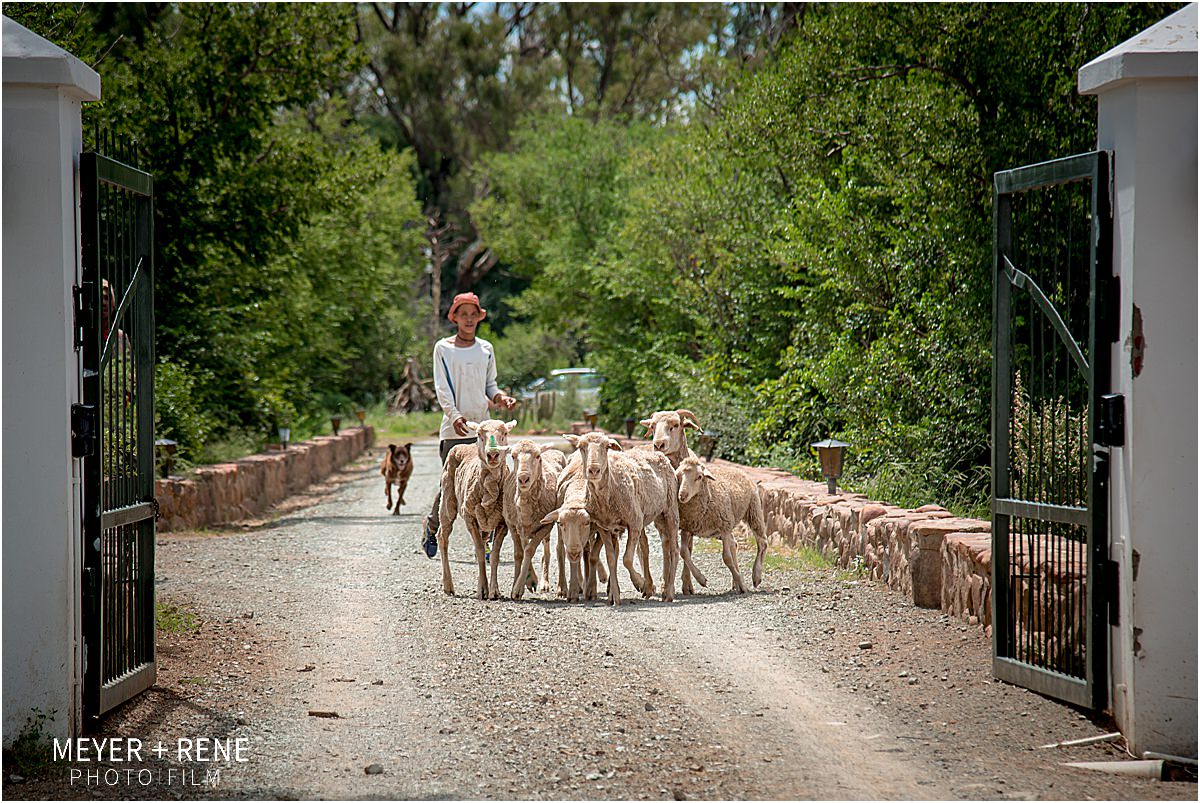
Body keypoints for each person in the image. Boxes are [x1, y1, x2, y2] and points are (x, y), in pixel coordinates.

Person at [421, 292, 517, 557]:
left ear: (479, 317)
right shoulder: (443, 348)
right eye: (463, 314)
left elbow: (490, 385)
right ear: (455, 318)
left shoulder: (485, 349)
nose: (469, 319)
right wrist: (454, 416)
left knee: (490, 481)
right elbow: (441, 388)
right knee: (451, 485)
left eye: (473, 314)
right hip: (455, 429)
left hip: (484, 432)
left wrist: (501, 398)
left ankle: (485, 540)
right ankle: (433, 526)